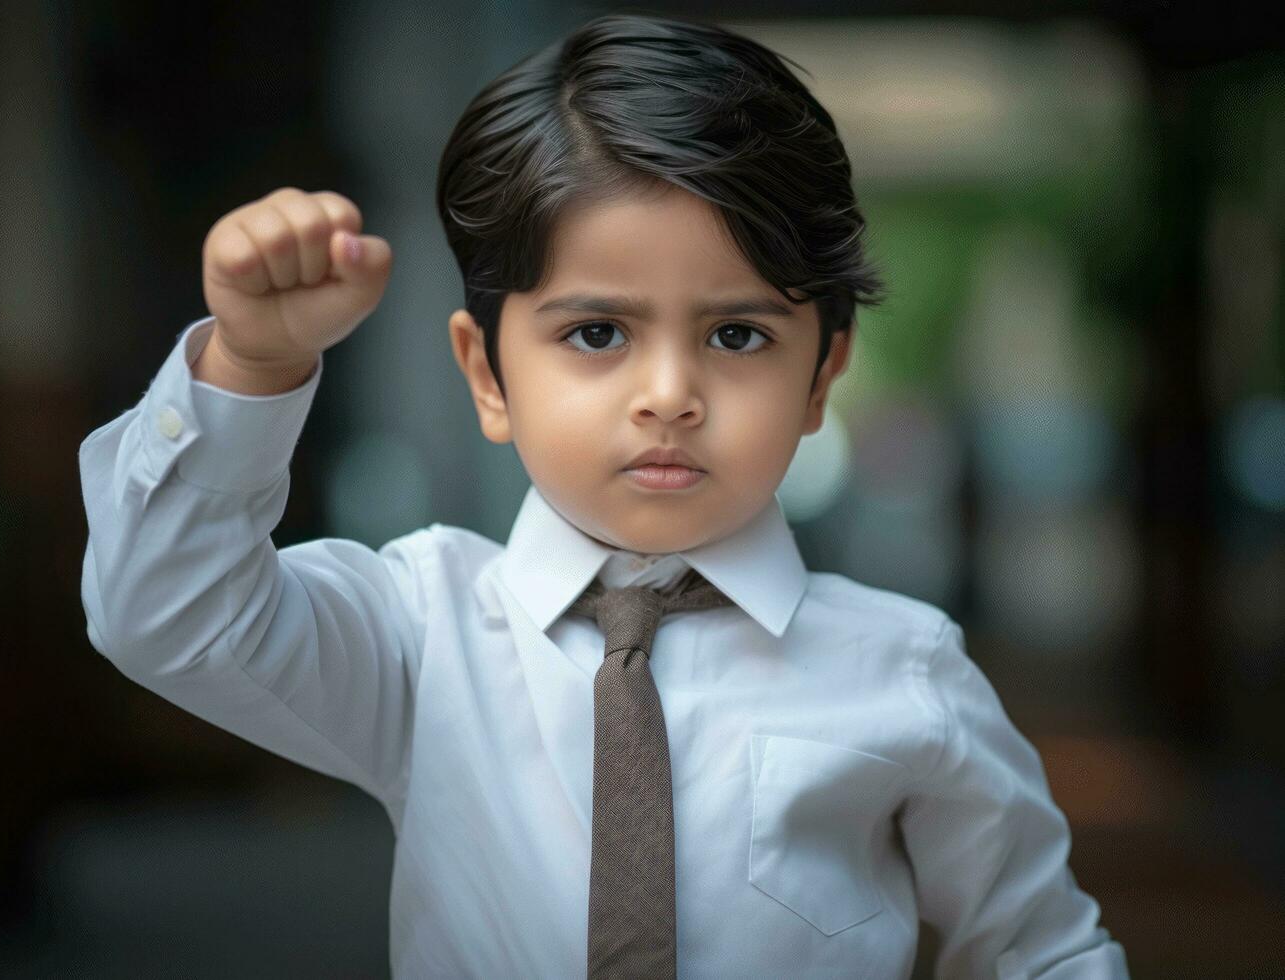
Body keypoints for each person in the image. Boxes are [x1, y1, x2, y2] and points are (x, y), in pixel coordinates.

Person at [78, 11, 1130, 978]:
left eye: (736, 335)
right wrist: (251, 365)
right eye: (596, 333)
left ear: (820, 375)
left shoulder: (903, 671)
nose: (667, 395)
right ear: (487, 373)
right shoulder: (421, 631)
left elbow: (1040, 951)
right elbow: (168, 613)